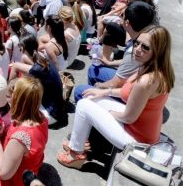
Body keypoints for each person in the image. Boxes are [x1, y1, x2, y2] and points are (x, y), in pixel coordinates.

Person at [57, 25, 174, 168]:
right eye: (137, 43)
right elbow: (127, 92)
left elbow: (128, 117)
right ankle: (80, 142)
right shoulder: (151, 67)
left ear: (158, 51)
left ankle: (76, 154)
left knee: (83, 105)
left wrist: (106, 112)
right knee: (91, 97)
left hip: (137, 140)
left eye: (145, 47)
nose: (137, 49)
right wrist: (104, 92)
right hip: (138, 129)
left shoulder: (147, 80)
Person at [73, 1, 155, 102]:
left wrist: (98, 86)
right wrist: (109, 63)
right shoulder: (150, 37)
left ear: (127, 22)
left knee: (80, 90)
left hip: (131, 94)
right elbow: (129, 61)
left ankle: (89, 101)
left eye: (122, 15)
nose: (120, 17)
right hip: (138, 83)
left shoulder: (134, 51)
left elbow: (114, 84)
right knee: (93, 68)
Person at [0, 76, 48, 186]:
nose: (7, 100)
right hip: (30, 170)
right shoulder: (41, 118)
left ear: (18, 100)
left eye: (9, 96)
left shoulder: (20, 138)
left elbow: (3, 173)